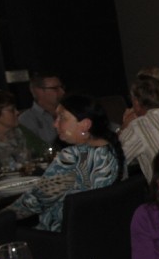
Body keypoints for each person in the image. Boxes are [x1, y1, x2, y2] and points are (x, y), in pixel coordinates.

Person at [9, 94, 123, 231]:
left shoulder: (72, 157)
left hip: (62, 235)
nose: (55, 124)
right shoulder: (113, 149)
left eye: (62, 118)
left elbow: (35, 201)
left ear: (85, 125)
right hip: (101, 230)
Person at [19, 71, 65, 145]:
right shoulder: (27, 120)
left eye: (61, 87)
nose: (62, 92)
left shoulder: (69, 112)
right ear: (38, 92)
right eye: (55, 88)